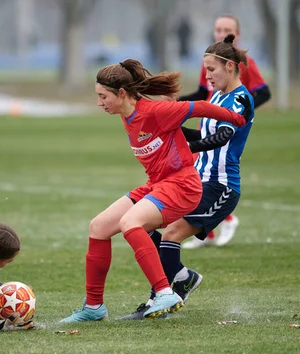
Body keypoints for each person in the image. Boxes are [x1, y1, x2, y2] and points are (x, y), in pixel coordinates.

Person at [60, 59, 252, 322]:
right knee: (99, 227)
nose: (99, 102)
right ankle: (94, 307)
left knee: (131, 223)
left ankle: (165, 292)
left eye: (103, 96)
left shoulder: (155, 111)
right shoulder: (127, 115)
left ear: (123, 94)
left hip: (183, 185)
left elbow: (200, 107)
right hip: (158, 185)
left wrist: (236, 119)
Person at [120, 35, 255, 320]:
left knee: (170, 234)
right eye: (205, 69)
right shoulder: (215, 95)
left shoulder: (241, 98)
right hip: (196, 180)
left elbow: (223, 136)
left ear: (229, 66)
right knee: (142, 224)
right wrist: (168, 135)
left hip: (220, 186)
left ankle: (163, 296)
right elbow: (204, 134)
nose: (207, 75)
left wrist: (183, 147)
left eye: (212, 69)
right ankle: (181, 278)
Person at [179, 15, 271, 248]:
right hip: (208, 126)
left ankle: (225, 220)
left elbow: (264, 93)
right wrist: (174, 108)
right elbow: (203, 95)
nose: (221, 33)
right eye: (218, 29)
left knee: (208, 178)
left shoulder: (241, 64)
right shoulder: (212, 63)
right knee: (192, 181)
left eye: (227, 29)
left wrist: (240, 116)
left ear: (237, 34)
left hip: (222, 133)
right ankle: (206, 235)